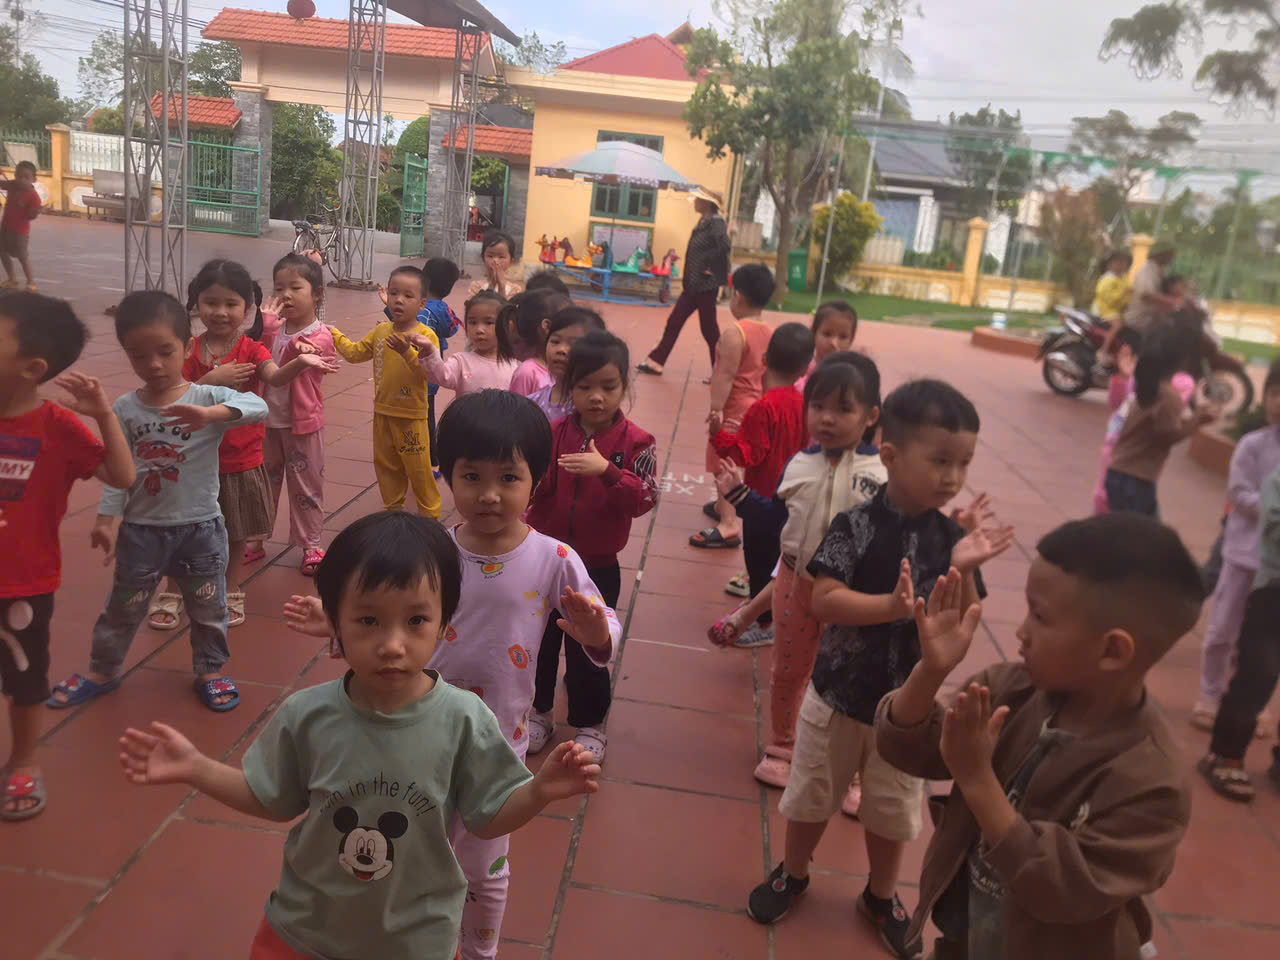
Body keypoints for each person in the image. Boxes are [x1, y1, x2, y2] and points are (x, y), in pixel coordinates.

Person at [118, 510, 603, 960]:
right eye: (368, 620)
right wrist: (196, 768)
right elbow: (271, 797)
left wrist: (538, 792)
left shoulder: (465, 719)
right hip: (305, 933)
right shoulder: (308, 715)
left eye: (416, 621)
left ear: (443, 623)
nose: (392, 644)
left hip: (417, 941)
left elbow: (489, 817)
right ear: (335, 622)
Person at [282, 389, 623, 960]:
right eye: (471, 476)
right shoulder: (431, 553)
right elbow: (387, 625)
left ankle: (479, 952)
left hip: (497, 742)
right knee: (411, 846)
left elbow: (606, 625)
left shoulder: (554, 559)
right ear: (446, 474)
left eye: (508, 478)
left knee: (485, 866)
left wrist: (594, 632)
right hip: (419, 732)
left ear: (536, 480)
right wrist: (338, 628)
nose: (489, 494)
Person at [746, 379, 1014, 959]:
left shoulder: (951, 537)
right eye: (939, 460)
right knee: (812, 795)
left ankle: (881, 894)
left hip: (908, 711)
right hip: (838, 695)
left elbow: (965, 614)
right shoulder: (857, 523)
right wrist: (892, 607)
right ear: (890, 455)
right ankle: (794, 871)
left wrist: (966, 566)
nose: (953, 477)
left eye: (963, 463)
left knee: (893, 811)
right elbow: (824, 599)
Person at [875, 512, 1203, 960]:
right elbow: (906, 747)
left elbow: (1063, 891)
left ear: (1112, 650)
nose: (1021, 631)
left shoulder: (1152, 783)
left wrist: (978, 781)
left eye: (1040, 616)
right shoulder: (1012, 690)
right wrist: (930, 672)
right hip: (965, 939)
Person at [47, 290, 268, 714]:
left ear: (186, 348)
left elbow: (256, 406)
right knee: (123, 607)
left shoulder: (204, 398)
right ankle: (103, 670)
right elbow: (120, 469)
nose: (153, 365)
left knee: (208, 606)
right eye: (138, 356)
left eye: (165, 352)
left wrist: (212, 415)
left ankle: (210, 670)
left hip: (200, 528)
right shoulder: (125, 409)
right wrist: (106, 518)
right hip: (141, 531)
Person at [714, 354, 889, 795]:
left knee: (852, 674)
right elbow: (778, 518)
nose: (826, 418)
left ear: (871, 416)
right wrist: (738, 495)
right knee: (788, 671)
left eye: (843, 409)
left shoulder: (881, 475)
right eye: (818, 406)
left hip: (853, 593)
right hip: (795, 583)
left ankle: (852, 767)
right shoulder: (799, 464)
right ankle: (782, 746)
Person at [0, 293, 135, 820]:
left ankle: (24, 760)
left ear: (32, 368)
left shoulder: (55, 426)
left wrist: (104, 415)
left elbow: (121, 476)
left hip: (22, 584)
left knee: (25, 677)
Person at [160, 259, 337, 630]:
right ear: (196, 304)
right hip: (196, 458)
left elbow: (275, 376)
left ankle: (231, 588)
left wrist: (300, 362)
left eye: (231, 304)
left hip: (240, 457)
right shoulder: (189, 349)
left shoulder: (253, 350)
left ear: (247, 308)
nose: (221, 312)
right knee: (183, 526)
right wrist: (213, 378)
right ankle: (173, 590)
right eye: (211, 302)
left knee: (237, 530)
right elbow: (174, 397)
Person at [526, 331, 659, 763]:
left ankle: (590, 722)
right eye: (584, 386)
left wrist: (607, 472)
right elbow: (535, 489)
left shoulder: (637, 442)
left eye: (608, 386)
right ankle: (538, 712)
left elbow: (645, 498)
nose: (596, 397)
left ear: (625, 386)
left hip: (597, 566)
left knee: (590, 646)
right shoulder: (553, 433)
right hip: (545, 560)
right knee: (538, 641)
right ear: (569, 386)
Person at [708, 322, 815, 647]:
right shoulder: (806, 404)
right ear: (805, 367)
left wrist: (719, 435)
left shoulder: (764, 407)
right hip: (795, 498)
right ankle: (767, 609)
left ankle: (764, 622)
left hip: (762, 499)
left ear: (765, 359)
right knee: (781, 559)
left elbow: (746, 455)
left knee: (759, 559)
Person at [1192, 358, 1280, 732]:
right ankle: (1210, 695)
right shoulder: (1252, 445)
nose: (1279, 402)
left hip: (1274, 570)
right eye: (1275, 393)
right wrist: (1274, 508)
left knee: (1261, 641)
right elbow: (1239, 493)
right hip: (1242, 556)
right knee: (1222, 630)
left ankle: (1249, 702)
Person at [330, 266, 444, 519]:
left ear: (422, 303)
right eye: (393, 293)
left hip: (412, 416)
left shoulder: (426, 336)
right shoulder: (381, 331)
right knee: (386, 466)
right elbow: (355, 353)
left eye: (408, 295)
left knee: (419, 469)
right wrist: (334, 334)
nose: (398, 300)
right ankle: (393, 514)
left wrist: (407, 352)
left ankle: (431, 517)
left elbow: (430, 374)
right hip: (383, 413)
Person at [1200, 461, 1280, 802]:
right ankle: (1225, 754)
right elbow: (1274, 527)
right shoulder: (1277, 479)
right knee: (1258, 673)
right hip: (1274, 591)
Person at [261, 253, 338, 575]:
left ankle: (311, 544)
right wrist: (265, 330)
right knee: (263, 483)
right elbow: (258, 360)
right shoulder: (270, 328)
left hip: (302, 425)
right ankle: (254, 540)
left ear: (317, 293)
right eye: (279, 288)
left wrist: (297, 349)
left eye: (295, 287)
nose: (286, 295)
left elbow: (301, 365)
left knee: (306, 486)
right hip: (265, 421)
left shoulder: (321, 335)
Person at [689, 263, 776, 551]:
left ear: (738, 296)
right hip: (758, 404)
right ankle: (722, 505)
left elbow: (724, 375)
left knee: (723, 460)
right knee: (739, 458)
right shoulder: (770, 333)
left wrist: (716, 409)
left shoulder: (734, 334)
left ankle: (728, 523)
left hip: (735, 407)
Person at [1105, 326, 1217, 516]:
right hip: (1137, 479)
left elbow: (1158, 430)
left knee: (1124, 528)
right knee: (1139, 532)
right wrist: (1198, 420)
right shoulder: (1168, 396)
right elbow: (1167, 436)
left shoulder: (1147, 387)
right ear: (1181, 362)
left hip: (1117, 471)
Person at [637, 187, 731, 376]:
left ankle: (720, 371)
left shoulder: (716, 223)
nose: (695, 202)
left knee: (709, 330)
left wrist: (710, 266)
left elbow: (725, 246)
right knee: (675, 321)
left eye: (698, 200)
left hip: (705, 286)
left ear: (707, 204)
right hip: (692, 285)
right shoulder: (703, 222)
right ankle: (656, 362)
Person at [411, 291, 518, 396]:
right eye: (473, 323)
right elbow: (440, 375)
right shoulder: (461, 362)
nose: (479, 329)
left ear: (505, 326)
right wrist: (430, 354)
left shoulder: (515, 365)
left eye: (489, 322)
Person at [524, 306, 607, 422]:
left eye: (574, 344)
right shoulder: (532, 404)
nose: (561, 350)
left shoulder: (595, 408)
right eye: (555, 341)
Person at [419, 257, 462, 477]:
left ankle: (430, 460)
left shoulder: (420, 306)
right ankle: (432, 459)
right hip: (434, 363)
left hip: (416, 366)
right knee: (428, 411)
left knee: (422, 415)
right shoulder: (443, 309)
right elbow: (452, 329)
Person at [1101, 240, 1181, 356]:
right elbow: (1146, 294)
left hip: (1149, 322)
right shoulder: (1147, 270)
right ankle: (1103, 351)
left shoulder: (1159, 271)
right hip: (1136, 321)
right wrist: (1173, 301)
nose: (1172, 257)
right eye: (1170, 254)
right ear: (1162, 254)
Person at [506, 289, 574, 394]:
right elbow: (515, 404)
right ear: (547, 327)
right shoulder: (527, 372)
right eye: (569, 321)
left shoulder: (569, 367)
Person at [0, 161, 42, 291]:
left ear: (34, 179)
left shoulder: (34, 196)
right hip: (5, 227)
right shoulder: (12, 185)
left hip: (20, 232)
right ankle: (12, 278)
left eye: (26, 177)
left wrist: (34, 212)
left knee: (22, 257)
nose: (22, 180)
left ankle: (31, 282)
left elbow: (31, 216)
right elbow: (2, 184)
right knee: (2, 252)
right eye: (19, 176)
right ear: (15, 176)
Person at [466, 230, 524, 300]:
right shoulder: (476, 286)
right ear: (483, 258)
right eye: (490, 256)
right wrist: (492, 284)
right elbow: (478, 306)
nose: (495, 261)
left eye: (501, 257)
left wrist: (501, 287)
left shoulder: (515, 290)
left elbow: (506, 307)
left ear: (511, 262)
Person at [1091, 248, 1133, 323]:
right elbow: (1108, 298)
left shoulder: (1124, 278)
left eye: (1123, 262)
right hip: (1104, 310)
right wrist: (1124, 291)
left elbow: (1129, 292)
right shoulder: (1107, 279)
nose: (1121, 265)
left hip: (1117, 311)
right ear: (1109, 265)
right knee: (1118, 324)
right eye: (1118, 263)